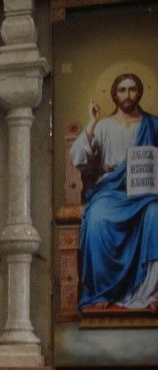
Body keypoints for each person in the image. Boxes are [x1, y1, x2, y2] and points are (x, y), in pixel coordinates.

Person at [68, 73, 158, 311]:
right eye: (122, 90)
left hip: (145, 192)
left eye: (132, 89)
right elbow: (78, 157)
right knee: (97, 218)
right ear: (115, 94)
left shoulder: (153, 125)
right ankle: (103, 291)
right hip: (110, 190)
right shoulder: (104, 126)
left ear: (140, 92)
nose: (127, 95)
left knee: (155, 214)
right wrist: (91, 123)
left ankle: (150, 293)